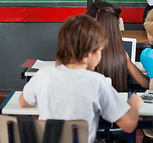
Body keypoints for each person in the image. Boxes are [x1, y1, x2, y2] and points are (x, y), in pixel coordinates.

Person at [19, 14, 143, 143]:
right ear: (87, 55)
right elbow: (128, 125)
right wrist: (133, 106)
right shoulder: (97, 82)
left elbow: (23, 102)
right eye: (100, 51)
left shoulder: (44, 74)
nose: (101, 56)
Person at [86, 0, 149, 90]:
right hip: (119, 100)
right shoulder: (122, 54)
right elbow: (145, 83)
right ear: (115, 27)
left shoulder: (85, 55)